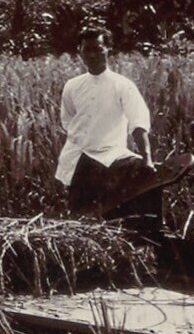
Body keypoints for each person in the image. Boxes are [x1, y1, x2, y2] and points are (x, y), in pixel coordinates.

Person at [55, 23, 156, 216]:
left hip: (110, 157)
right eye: (87, 50)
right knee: (78, 216)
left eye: (98, 49)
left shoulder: (122, 85)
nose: (92, 55)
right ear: (79, 51)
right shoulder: (72, 86)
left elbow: (138, 122)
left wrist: (147, 158)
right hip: (77, 158)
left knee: (113, 213)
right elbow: (68, 121)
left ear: (108, 50)